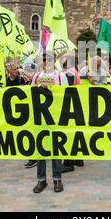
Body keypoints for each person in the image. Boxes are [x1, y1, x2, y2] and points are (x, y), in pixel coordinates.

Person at [31, 53, 68, 193]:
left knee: (56, 149)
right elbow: (31, 94)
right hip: (40, 118)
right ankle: (41, 180)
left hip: (56, 117)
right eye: (44, 60)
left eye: (49, 59)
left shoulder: (60, 76)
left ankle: (57, 179)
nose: (47, 62)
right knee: (40, 149)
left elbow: (66, 95)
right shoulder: (37, 76)